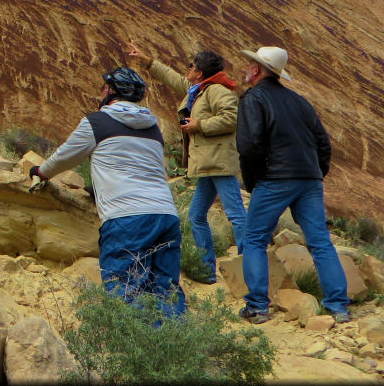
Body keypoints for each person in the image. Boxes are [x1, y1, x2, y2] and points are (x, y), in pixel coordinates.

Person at [29, 67, 186, 318]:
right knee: (165, 290)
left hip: (127, 219)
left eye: (104, 86)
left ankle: (132, 352)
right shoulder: (153, 128)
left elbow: (65, 157)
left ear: (111, 91)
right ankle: (176, 349)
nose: (100, 90)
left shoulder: (98, 122)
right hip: (166, 215)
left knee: (124, 291)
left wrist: (41, 171)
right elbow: (143, 168)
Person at [236, 46, 350, 324]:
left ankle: (258, 307)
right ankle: (338, 307)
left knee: (254, 239)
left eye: (250, 64)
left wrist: (254, 181)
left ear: (257, 70)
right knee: (320, 241)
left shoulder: (253, 98)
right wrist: (315, 173)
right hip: (308, 178)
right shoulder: (299, 101)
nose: (246, 68)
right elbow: (323, 143)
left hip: (274, 178)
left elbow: (249, 146)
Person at [127, 43, 246, 284]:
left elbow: (232, 118)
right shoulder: (199, 90)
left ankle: (249, 265)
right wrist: (148, 61)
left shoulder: (217, 91)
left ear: (199, 72)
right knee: (196, 215)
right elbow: (174, 79)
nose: (187, 70)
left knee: (236, 215)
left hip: (219, 163)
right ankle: (206, 269)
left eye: (191, 66)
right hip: (209, 165)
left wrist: (199, 125)